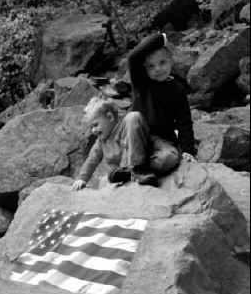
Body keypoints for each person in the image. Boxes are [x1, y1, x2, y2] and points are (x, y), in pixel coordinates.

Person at [127, 32, 197, 174]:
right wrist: (161, 38)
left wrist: (188, 150)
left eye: (162, 63)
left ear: (171, 61)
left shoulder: (178, 90)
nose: (158, 69)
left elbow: (184, 122)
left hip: (163, 141)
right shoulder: (141, 83)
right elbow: (133, 57)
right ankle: (138, 166)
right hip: (138, 138)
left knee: (169, 159)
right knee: (132, 117)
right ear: (145, 68)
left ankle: (137, 168)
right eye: (151, 66)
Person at [71, 95, 159, 191]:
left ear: (110, 117)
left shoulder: (124, 128)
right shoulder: (101, 140)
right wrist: (82, 178)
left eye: (96, 125)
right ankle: (126, 174)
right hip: (121, 172)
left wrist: (125, 169)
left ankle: (136, 172)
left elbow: (128, 148)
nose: (93, 130)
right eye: (91, 127)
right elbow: (92, 159)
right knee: (108, 178)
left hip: (134, 163)